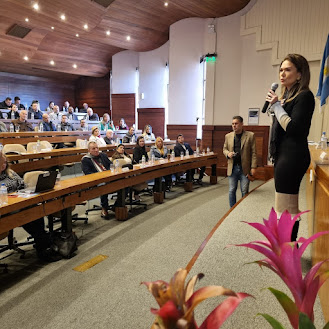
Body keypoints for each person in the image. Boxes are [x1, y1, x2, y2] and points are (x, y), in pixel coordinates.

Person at [265, 54, 315, 241]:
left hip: (293, 156)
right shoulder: (288, 96)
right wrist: (276, 108)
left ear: (300, 74)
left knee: (285, 208)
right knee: (286, 206)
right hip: (284, 155)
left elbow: (294, 129)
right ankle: (287, 249)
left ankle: (287, 250)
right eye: (280, 70)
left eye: (288, 70)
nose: (282, 74)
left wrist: (277, 107)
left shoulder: (304, 96)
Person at [0, 152, 61, 262]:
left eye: (5, 162)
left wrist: (28, 190)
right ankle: (43, 245)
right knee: (28, 215)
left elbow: (22, 183)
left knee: (35, 211)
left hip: (19, 202)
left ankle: (42, 244)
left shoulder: (10, 173)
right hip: (5, 209)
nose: (4, 165)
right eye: (1, 163)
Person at [223, 116, 257, 208]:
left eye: (236, 123)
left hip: (244, 168)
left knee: (244, 191)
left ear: (242, 124)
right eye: (233, 124)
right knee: (231, 190)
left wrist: (253, 167)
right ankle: (232, 210)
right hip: (232, 167)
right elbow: (224, 149)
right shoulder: (228, 136)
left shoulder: (250, 135)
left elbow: (254, 153)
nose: (234, 126)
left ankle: (243, 209)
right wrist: (228, 153)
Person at [81, 142, 113, 219]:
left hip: (108, 176)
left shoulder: (103, 155)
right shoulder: (85, 159)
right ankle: (104, 208)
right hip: (95, 180)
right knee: (103, 185)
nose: (96, 150)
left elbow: (110, 165)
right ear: (89, 150)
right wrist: (101, 176)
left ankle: (117, 205)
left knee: (123, 181)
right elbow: (88, 173)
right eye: (93, 148)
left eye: (97, 148)